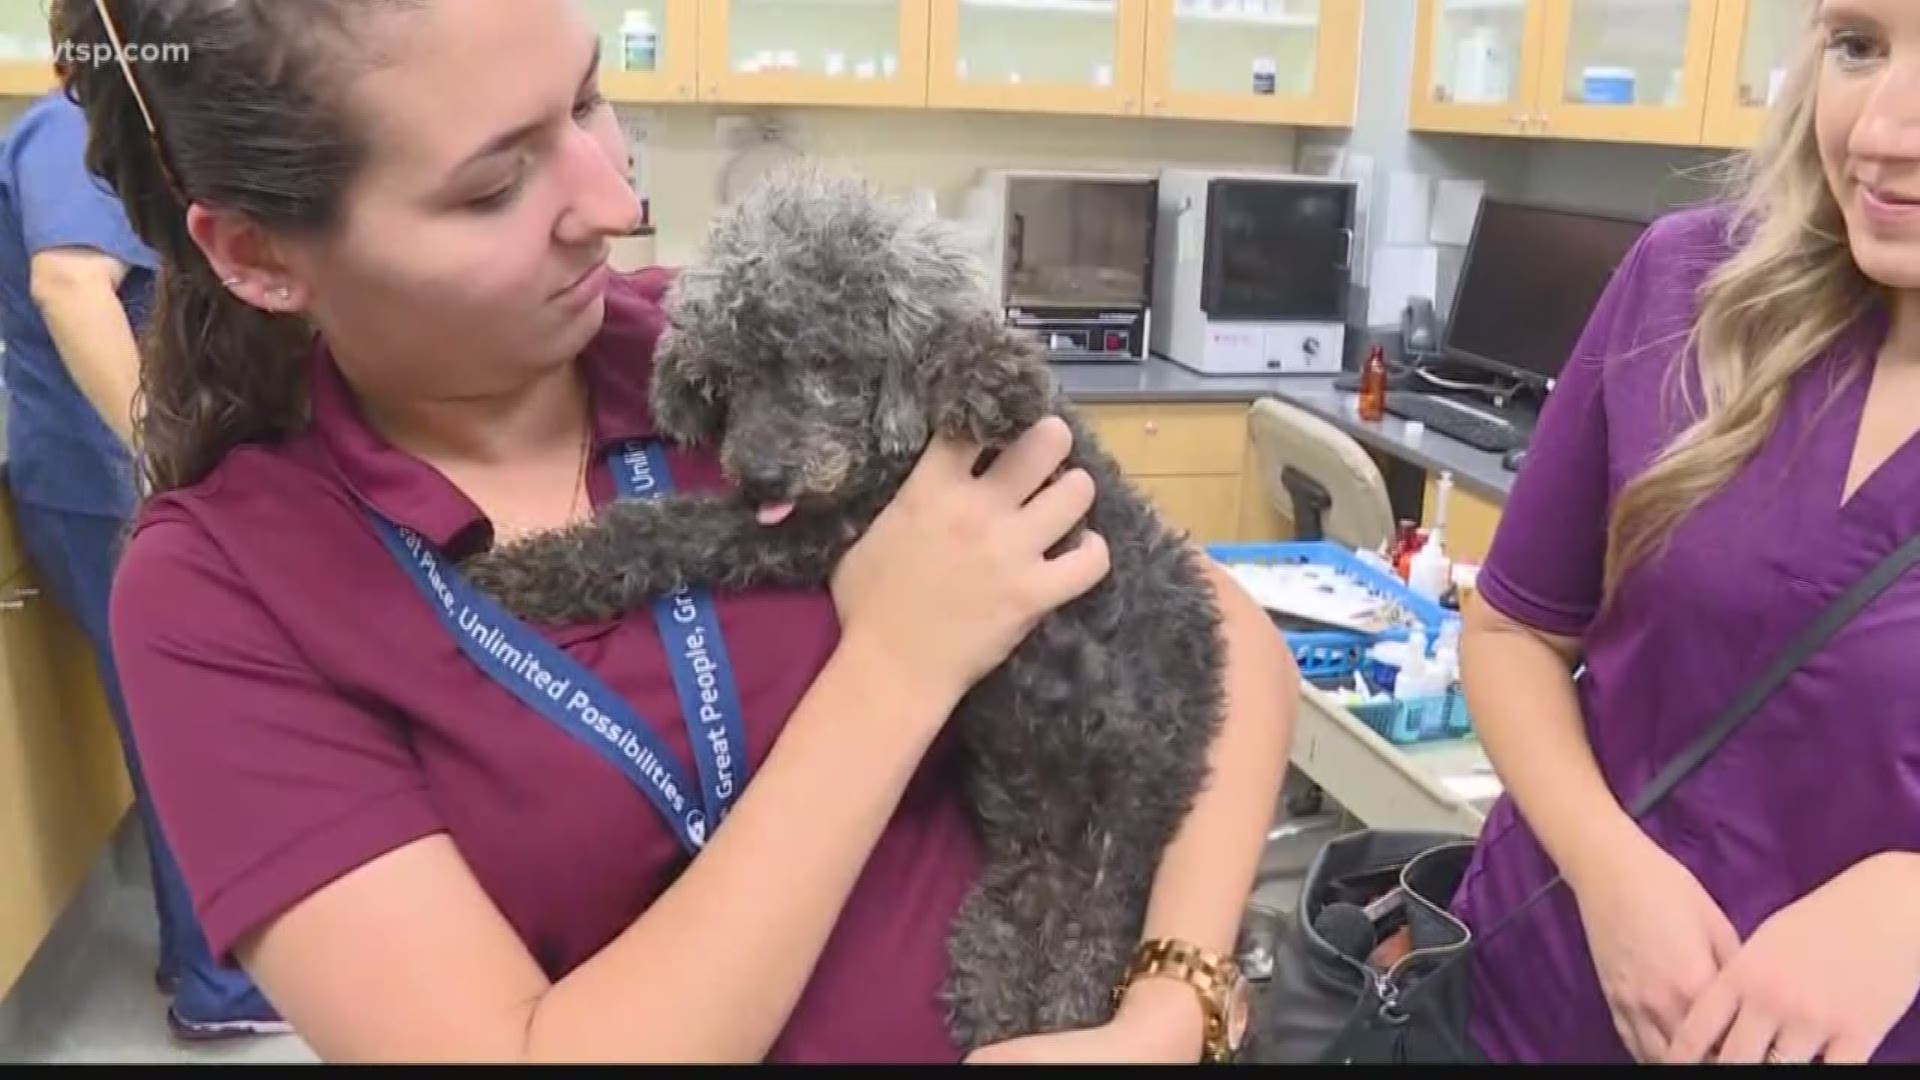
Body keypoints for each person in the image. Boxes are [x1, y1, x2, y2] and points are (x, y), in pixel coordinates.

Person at [58, 0, 1299, 1063]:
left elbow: (1222, 635)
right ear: (261, 253)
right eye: (497, 184)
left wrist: (1167, 1005)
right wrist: (896, 668)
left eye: (590, 102)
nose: (617, 200)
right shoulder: (222, 597)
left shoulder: (747, 358)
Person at [1451, 0, 1920, 1065]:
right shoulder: (1688, 284)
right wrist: (1612, 874)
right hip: (1535, 1002)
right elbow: (1513, 634)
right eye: (1859, 45)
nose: (1884, 132)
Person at [0, 8, 284, 1041]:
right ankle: (217, 983)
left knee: (187, 718)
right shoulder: (73, 129)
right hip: (106, 484)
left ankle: (213, 961)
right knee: (185, 725)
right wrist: (156, 455)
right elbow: (70, 286)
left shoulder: (127, 138)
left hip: (123, 481)